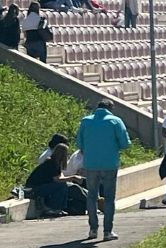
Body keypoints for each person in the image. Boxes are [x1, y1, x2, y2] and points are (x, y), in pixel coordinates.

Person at [76, 99, 131, 240]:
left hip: (91, 164)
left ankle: (93, 229)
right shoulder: (115, 121)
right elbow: (125, 143)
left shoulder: (86, 121)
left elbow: (79, 143)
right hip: (109, 163)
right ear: (110, 108)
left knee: (92, 196)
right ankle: (107, 231)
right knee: (109, 197)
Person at [25, 143, 81, 217]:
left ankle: (60, 208)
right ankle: (54, 208)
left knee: (65, 185)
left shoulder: (56, 164)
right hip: (34, 188)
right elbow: (57, 180)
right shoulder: (50, 163)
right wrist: (73, 177)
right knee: (61, 185)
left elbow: (60, 176)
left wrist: (71, 178)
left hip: (42, 186)